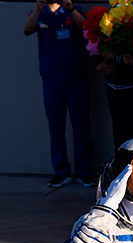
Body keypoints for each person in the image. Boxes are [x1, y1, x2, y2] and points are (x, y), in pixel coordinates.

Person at [24, 0, 94, 187]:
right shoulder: (40, 13)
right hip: (52, 80)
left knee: (81, 125)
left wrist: (70, 9)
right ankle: (61, 171)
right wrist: (39, 9)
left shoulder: (73, 11)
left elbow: (85, 28)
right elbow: (27, 28)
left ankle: (84, 171)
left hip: (76, 79)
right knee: (56, 127)